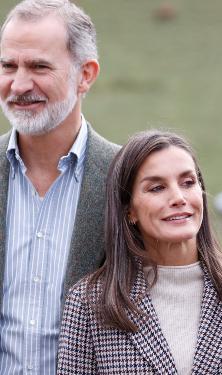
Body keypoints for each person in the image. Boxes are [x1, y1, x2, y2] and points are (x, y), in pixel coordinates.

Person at [57, 130, 222, 374]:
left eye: (188, 183)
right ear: (129, 211)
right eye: (156, 188)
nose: (178, 197)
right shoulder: (89, 302)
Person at [0, 0, 118, 372]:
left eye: (39, 66)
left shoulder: (127, 178)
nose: (19, 84)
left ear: (86, 74)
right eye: (8, 66)